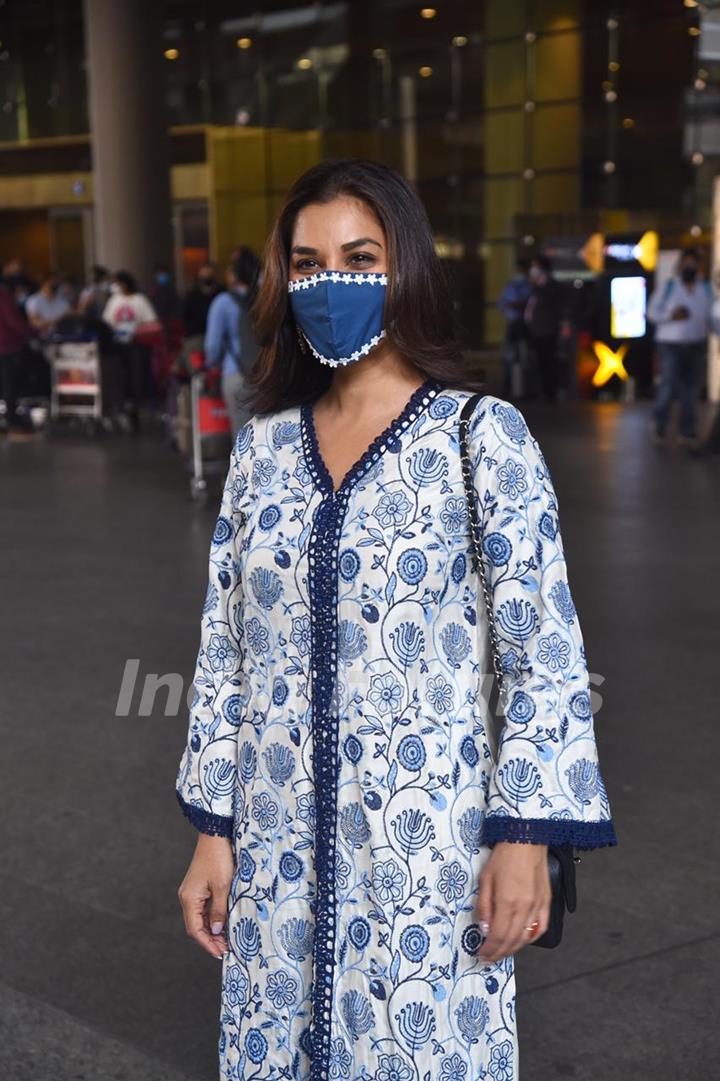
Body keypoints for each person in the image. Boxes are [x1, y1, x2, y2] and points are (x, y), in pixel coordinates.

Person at [175, 158, 616, 1081]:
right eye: (307, 262)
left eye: (359, 255)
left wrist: (524, 835)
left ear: (404, 266)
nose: (329, 281)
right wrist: (213, 829)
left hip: (427, 860)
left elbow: (542, 653)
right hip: (274, 853)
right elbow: (226, 651)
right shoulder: (261, 451)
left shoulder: (477, 436)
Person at [647, 247, 712, 449]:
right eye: (687, 263)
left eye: (694, 263)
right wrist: (670, 316)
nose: (691, 267)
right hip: (670, 344)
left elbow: (711, 316)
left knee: (691, 391)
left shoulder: (705, 288)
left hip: (696, 344)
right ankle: (660, 423)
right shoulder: (669, 287)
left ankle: (688, 430)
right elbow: (651, 312)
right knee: (668, 385)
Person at [203, 248, 261, 436]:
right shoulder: (266, 298)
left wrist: (211, 364)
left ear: (235, 276)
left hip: (236, 373)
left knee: (242, 437)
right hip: (267, 375)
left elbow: (212, 345)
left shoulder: (223, 302)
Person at [102, 271, 159, 432]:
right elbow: (107, 322)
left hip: (136, 346)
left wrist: (135, 331)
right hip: (117, 346)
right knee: (120, 377)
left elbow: (151, 322)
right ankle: (122, 404)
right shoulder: (114, 300)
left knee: (136, 377)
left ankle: (134, 407)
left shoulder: (140, 300)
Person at [523, 254, 563, 402]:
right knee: (539, 362)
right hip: (536, 331)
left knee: (548, 361)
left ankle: (549, 392)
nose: (532, 270)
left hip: (547, 331)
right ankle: (542, 391)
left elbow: (556, 308)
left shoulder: (550, 286)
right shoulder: (536, 287)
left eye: (535, 266)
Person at [0, 278, 33, 433]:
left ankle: (9, 417)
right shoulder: (4, 297)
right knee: (10, 385)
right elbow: (14, 322)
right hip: (7, 346)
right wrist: (33, 332)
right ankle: (11, 418)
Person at [498, 257, 531, 398]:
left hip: (525, 326)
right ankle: (509, 386)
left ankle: (525, 388)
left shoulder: (529, 286)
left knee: (525, 356)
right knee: (509, 357)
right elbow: (502, 304)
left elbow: (528, 304)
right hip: (513, 325)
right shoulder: (510, 286)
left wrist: (519, 305)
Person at [182, 261, 221, 345]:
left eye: (208, 276)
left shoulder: (222, 295)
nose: (205, 278)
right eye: (203, 276)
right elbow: (186, 318)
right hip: (197, 338)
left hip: (219, 339)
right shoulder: (192, 295)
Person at [25, 272, 71, 339]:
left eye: (56, 281)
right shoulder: (33, 300)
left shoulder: (63, 301)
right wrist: (61, 319)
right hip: (43, 340)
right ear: (44, 282)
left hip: (65, 338)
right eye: (52, 281)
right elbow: (35, 324)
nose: (55, 283)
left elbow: (71, 316)